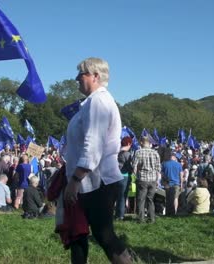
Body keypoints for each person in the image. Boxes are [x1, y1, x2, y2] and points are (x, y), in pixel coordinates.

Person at [63, 58, 131, 264]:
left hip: (94, 181)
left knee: (105, 236)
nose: (76, 79)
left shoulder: (98, 102)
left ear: (95, 76)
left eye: (80, 75)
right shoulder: (91, 103)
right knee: (78, 235)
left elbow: (93, 144)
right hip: (89, 180)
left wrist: (75, 179)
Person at [132, 136, 161, 223]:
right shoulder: (155, 153)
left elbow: (134, 167)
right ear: (149, 143)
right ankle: (152, 218)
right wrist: (156, 180)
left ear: (141, 142)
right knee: (150, 199)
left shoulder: (138, 152)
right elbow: (159, 168)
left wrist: (136, 175)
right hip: (152, 179)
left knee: (141, 199)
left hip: (142, 178)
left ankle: (141, 219)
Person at [116, 136, 133, 220]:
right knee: (123, 197)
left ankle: (116, 215)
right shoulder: (127, 154)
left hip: (115, 176)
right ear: (129, 143)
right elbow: (129, 167)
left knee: (117, 197)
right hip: (124, 176)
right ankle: (120, 216)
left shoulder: (116, 152)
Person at [162, 150, 183, 216]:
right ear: (174, 157)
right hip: (176, 183)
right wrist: (181, 184)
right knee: (175, 198)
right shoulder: (179, 164)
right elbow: (181, 175)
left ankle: (168, 211)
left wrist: (163, 182)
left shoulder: (164, 163)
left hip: (167, 183)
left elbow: (162, 174)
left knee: (167, 198)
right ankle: (175, 211)